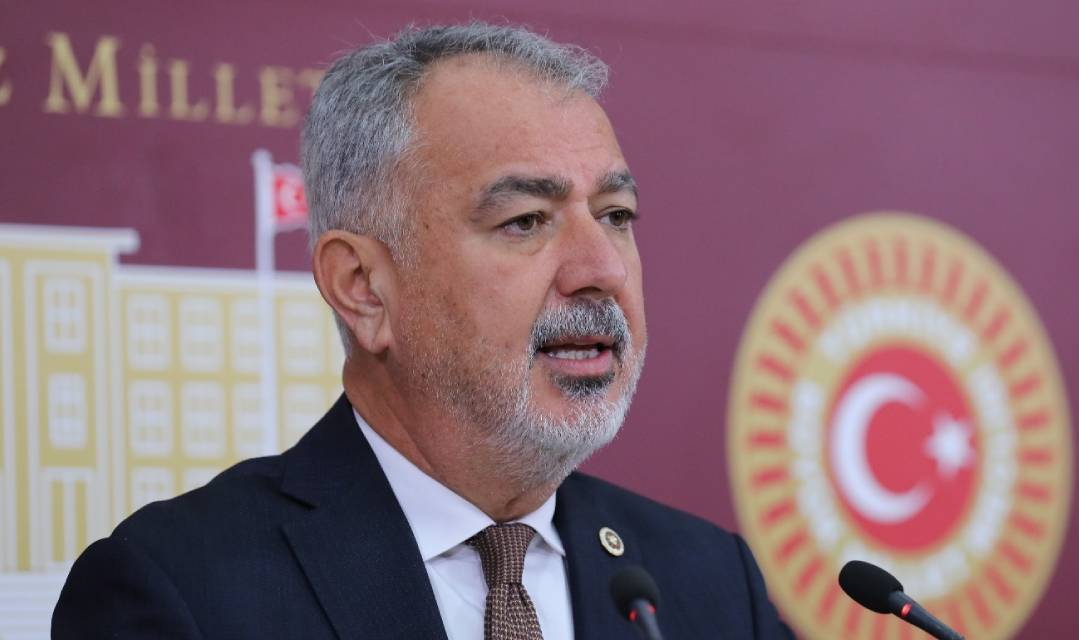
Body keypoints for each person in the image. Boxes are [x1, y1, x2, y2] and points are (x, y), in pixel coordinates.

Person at [53, 22, 793, 639]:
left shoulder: (709, 583)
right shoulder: (182, 593)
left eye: (616, 215)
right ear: (363, 287)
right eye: (525, 221)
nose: (601, 268)